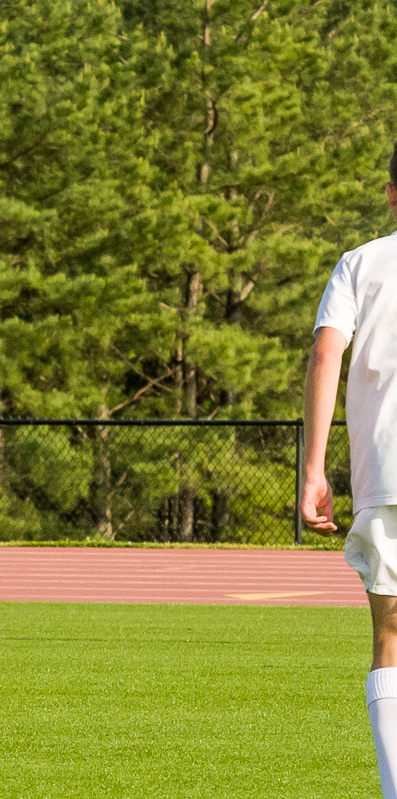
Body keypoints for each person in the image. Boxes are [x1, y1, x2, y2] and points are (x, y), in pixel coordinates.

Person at [301, 143, 397, 797]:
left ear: (391, 191)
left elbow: (326, 351)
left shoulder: (360, 264)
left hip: (386, 476)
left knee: (391, 635)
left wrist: (313, 467)